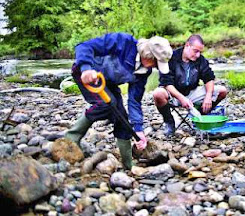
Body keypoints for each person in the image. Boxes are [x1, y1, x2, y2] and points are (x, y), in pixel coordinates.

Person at [65, 33, 173, 169]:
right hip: (86, 74)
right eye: (157, 62)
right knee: (105, 104)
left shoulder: (145, 71)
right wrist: (86, 69)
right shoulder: (123, 42)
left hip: (108, 82)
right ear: (148, 55)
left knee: (122, 118)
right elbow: (84, 47)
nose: (157, 67)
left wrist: (138, 129)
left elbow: (134, 100)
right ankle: (71, 137)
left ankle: (128, 164)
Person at [153, 34, 228, 136]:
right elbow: (167, 83)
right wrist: (181, 98)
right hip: (173, 94)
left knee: (222, 90)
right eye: (195, 51)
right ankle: (169, 122)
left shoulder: (200, 60)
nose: (198, 55)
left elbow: (209, 78)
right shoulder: (171, 58)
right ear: (187, 45)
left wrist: (208, 96)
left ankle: (201, 117)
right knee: (158, 93)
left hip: (192, 93)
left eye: (200, 52)